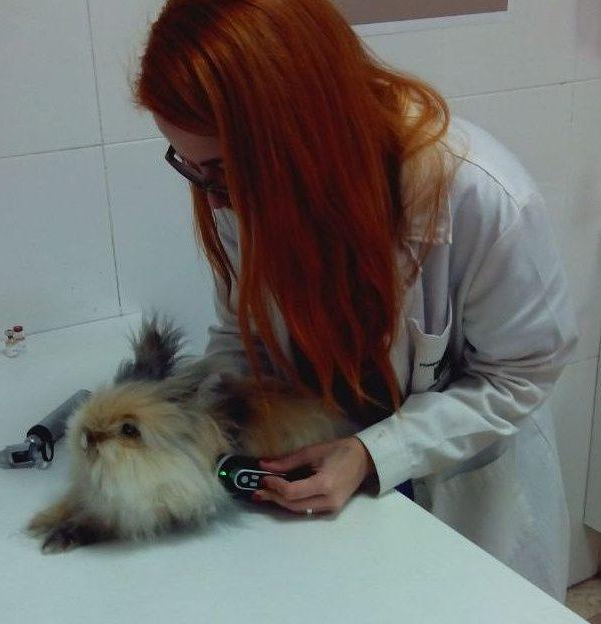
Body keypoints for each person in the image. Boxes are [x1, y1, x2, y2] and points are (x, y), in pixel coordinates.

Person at [133, 0, 578, 602]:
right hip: (326, 486)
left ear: (300, 131)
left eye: (221, 170)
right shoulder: (243, 198)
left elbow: (521, 374)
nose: (214, 202)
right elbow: (246, 336)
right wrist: (203, 421)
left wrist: (373, 453)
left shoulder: (481, 197)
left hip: (457, 487)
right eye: (190, 169)